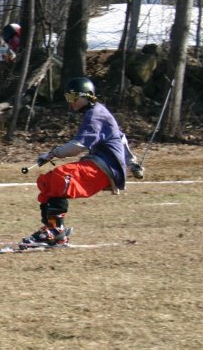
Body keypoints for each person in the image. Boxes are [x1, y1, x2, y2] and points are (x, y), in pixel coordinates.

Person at [21, 76, 141, 248]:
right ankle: (55, 231)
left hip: (103, 167)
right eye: (68, 98)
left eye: (73, 97)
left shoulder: (95, 115)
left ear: (87, 95)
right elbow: (120, 137)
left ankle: (54, 230)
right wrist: (132, 163)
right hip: (99, 164)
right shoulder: (98, 112)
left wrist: (53, 153)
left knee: (60, 177)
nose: (70, 102)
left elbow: (79, 146)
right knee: (47, 183)